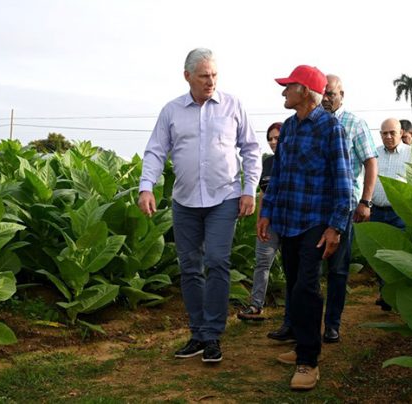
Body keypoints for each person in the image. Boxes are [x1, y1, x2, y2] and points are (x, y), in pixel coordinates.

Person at [138, 48, 261, 363]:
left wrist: (249, 189)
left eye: (214, 75)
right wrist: (146, 186)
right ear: (187, 76)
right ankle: (198, 333)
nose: (211, 81)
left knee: (217, 261)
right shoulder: (171, 111)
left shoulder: (233, 105)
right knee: (189, 267)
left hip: (225, 197)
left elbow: (250, 148)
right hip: (185, 200)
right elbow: (155, 151)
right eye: (204, 75)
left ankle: (213, 335)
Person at [258, 65, 352, 390]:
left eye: (289, 86)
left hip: (316, 222)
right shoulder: (288, 127)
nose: (284, 92)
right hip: (288, 221)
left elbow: (343, 182)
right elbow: (278, 176)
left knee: (306, 289)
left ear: (306, 91)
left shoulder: (331, 129)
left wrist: (336, 227)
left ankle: (308, 361)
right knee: (294, 284)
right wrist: (267, 212)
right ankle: (302, 345)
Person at [320, 74, 378, 343]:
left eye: (331, 93)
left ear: (342, 95)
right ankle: (297, 323)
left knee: (338, 269)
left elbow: (370, 162)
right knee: (306, 267)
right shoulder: (314, 122)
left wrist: (365, 201)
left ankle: (332, 324)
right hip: (314, 206)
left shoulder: (355, 124)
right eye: (322, 93)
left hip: (344, 205)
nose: (326, 98)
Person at [237, 122, 282, 322]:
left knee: (294, 266)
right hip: (269, 223)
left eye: (277, 138)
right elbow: (263, 193)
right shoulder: (268, 163)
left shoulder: (295, 160)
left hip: (291, 223)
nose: (273, 142)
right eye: (270, 139)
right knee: (262, 263)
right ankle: (255, 306)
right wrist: (259, 221)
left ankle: (295, 308)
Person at [370, 118, 412, 310]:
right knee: (378, 254)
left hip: (401, 213)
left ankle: (400, 296)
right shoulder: (374, 153)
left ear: (401, 133)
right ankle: (385, 293)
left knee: (401, 255)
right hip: (377, 212)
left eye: (392, 133)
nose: (388, 136)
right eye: (384, 133)